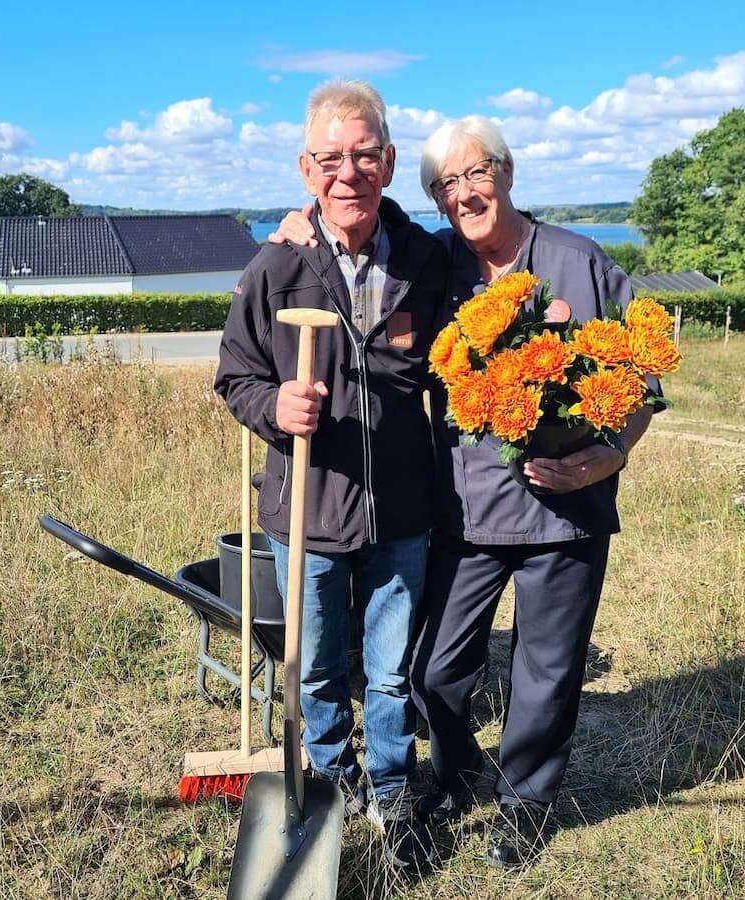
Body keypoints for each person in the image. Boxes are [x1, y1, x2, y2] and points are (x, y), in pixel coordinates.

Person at [270, 114, 660, 870]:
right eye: (446, 184)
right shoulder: (434, 260)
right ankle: (454, 774)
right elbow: (355, 219)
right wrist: (302, 223)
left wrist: (606, 458)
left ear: (506, 173)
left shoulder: (579, 262)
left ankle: (525, 806)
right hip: (463, 508)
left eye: (476, 173)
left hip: (567, 510)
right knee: (436, 671)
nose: (463, 192)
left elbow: (644, 378)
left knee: (546, 669)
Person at [214, 80, 446, 870]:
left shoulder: (423, 259)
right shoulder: (275, 268)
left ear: (387, 162)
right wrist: (274, 405)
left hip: (401, 510)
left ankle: (391, 790)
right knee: (314, 664)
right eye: (330, 159)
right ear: (306, 169)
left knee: (389, 671)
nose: (348, 174)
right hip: (307, 507)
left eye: (365, 156)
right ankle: (331, 781)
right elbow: (234, 376)